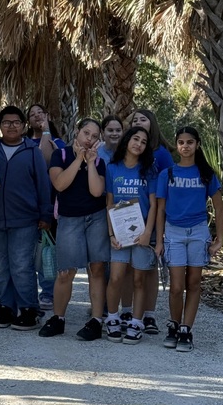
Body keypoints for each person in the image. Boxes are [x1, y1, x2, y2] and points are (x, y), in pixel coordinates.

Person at [0, 106, 52, 331]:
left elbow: (43, 185)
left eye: (16, 122)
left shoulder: (32, 151)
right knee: (0, 266)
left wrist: (45, 215)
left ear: (23, 126)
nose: (11, 126)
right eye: (6, 122)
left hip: (25, 219)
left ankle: (29, 309)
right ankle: (6, 306)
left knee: (22, 265)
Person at [155, 126, 223, 352]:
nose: (185, 146)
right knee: (176, 286)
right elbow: (160, 209)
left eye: (190, 142)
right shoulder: (167, 174)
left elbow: (218, 206)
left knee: (194, 283)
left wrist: (219, 238)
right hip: (173, 232)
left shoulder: (206, 174)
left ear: (197, 145)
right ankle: (173, 325)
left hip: (198, 232)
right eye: (181, 142)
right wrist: (158, 240)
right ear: (176, 145)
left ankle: (186, 329)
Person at [39, 118, 109, 341]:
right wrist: (78, 158)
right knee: (65, 272)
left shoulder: (99, 163)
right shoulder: (60, 155)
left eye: (94, 136)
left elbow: (97, 191)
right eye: (86, 133)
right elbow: (60, 184)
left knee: (97, 269)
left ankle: (96, 320)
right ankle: (58, 318)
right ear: (77, 132)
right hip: (69, 220)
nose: (89, 139)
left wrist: (89, 163)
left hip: (95, 219)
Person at [105, 126, 157, 343]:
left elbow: (154, 205)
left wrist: (147, 233)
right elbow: (108, 202)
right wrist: (110, 234)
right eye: (136, 139)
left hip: (141, 234)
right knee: (116, 277)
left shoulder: (149, 170)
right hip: (119, 233)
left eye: (143, 142)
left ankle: (136, 322)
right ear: (127, 140)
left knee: (138, 279)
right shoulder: (112, 168)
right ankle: (112, 318)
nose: (139, 144)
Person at [126, 107, 174, 334]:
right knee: (128, 267)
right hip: (125, 220)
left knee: (150, 268)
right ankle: (127, 310)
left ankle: (150, 314)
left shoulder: (161, 154)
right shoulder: (124, 152)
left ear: (151, 124)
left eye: (143, 119)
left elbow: (166, 191)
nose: (138, 122)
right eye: (134, 120)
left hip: (151, 219)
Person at [26, 103, 66, 310]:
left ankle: (48, 292)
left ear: (48, 116)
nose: (36, 117)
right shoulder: (24, 143)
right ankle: (26, 293)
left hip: (51, 204)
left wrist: (46, 131)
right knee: (26, 251)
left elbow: (46, 158)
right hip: (26, 204)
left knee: (47, 250)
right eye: (32, 115)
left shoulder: (58, 142)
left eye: (40, 113)